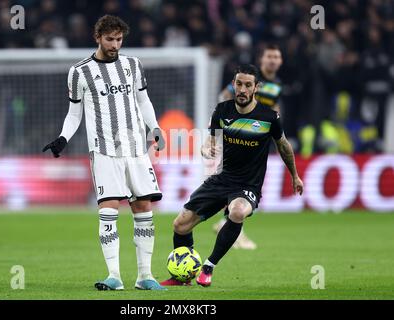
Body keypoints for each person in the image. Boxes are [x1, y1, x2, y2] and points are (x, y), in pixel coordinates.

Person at [42, 15, 166, 291]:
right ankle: (114, 276)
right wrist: (63, 138)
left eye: (119, 39)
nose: (115, 44)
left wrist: (155, 127)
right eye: (109, 39)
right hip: (104, 151)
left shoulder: (133, 65)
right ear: (97, 37)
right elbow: (75, 113)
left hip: (135, 149)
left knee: (143, 208)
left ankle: (145, 276)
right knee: (108, 210)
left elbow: (143, 100)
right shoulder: (79, 71)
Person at [161, 64, 303, 287]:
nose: (242, 90)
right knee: (180, 225)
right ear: (234, 85)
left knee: (237, 212)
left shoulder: (269, 117)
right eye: (239, 84)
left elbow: (283, 146)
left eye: (248, 85)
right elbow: (210, 141)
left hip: (248, 184)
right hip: (223, 179)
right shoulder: (222, 110)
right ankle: (182, 276)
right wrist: (206, 148)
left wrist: (295, 175)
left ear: (256, 87)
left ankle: (209, 266)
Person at [215, 44, 283, 250]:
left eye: (277, 56)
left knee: (250, 182)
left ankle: (227, 224)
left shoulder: (277, 85)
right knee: (235, 180)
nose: (273, 60)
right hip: (237, 137)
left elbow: (274, 111)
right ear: (262, 59)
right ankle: (234, 230)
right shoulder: (247, 78)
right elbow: (223, 97)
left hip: (258, 141)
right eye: (269, 56)